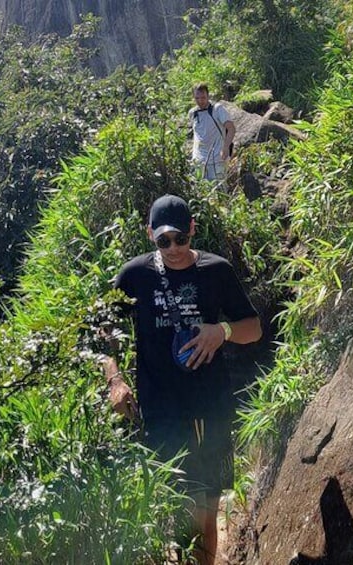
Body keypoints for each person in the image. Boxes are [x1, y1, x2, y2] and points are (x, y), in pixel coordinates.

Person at [103, 194, 262, 565]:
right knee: (174, 504)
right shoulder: (134, 276)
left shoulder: (216, 270)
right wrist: (115, 380)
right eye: (163, 241)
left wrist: (220, 331)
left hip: (208, 406)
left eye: (180, 238)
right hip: (160, 410)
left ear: (192, 229)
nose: (173, 248)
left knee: (203, 504)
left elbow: (253, 329)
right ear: (150, 236)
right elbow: (101, 333)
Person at [189, 83, 236, 182]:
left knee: (220, 192)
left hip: (217, 159)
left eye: (203, 97)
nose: (200, 101)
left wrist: (226, 147)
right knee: (201, 192)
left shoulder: (217, 109)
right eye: (197, 98)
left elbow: (231, 128)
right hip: (198, 161)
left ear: (208, 96)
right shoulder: (193, 113)